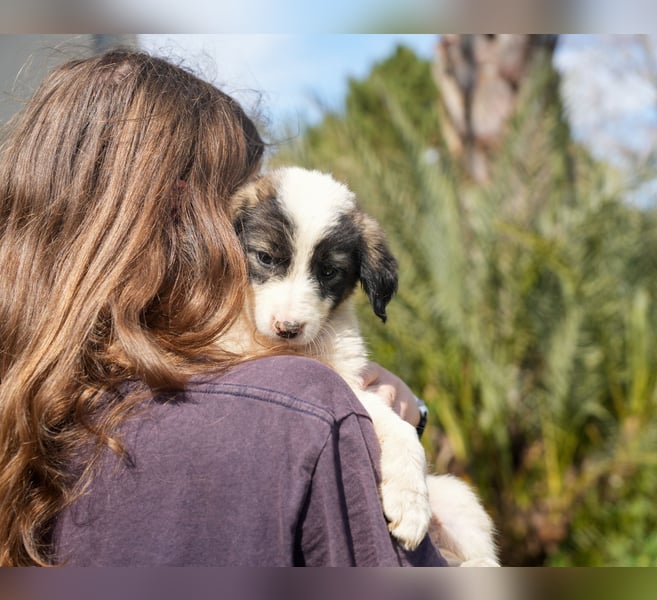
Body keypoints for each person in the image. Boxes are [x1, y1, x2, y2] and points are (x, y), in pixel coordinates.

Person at [0, 48, 446, 567]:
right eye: (234, 195)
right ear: (180, 214)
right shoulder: (304, 409)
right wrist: (372, 422)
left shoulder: (32, 394)